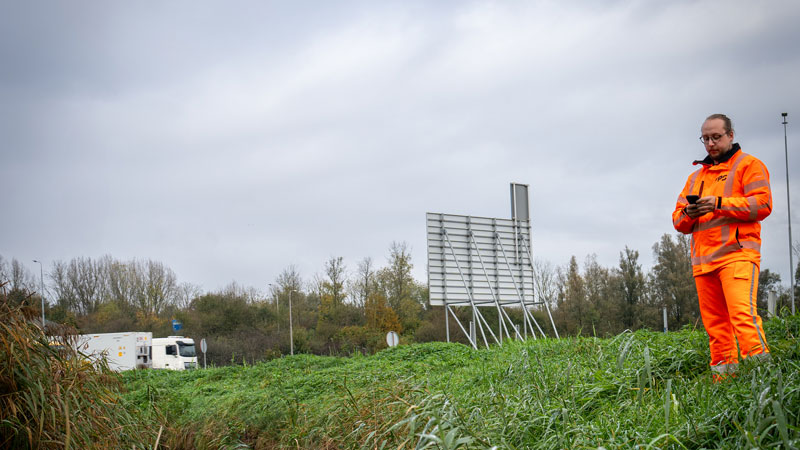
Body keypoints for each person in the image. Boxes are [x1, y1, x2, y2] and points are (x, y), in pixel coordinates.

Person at [672, 113, 772, 380]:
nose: (710, 143)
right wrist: (691, 213)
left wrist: (719, 203)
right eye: (705, 138)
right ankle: (725, 385)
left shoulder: (749, 166)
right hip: (703, 264)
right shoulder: (695, 177)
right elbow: (678, 222)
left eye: (716, 137)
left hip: (737, 256)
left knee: (743, 317)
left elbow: (762, 204)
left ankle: (765, 381)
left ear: (730, 135)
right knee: (716, 328)